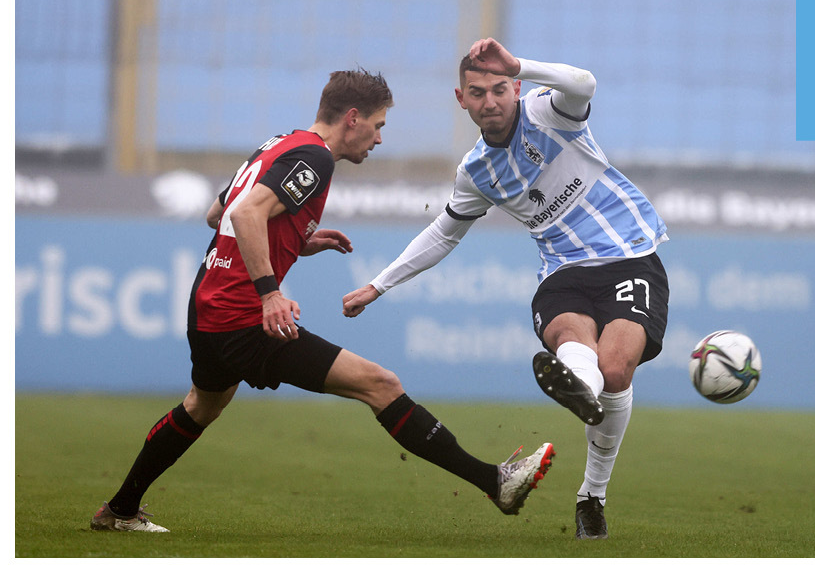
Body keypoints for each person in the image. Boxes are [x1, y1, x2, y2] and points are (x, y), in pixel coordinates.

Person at [90, 67, 555, 533]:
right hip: (243, 317)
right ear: (352, 118)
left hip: (207, 306)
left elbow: (220, 212)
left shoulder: (280, 143)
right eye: (378, 126)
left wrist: (295, 238)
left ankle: (120, 510)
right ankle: (496, 483)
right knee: (381, 384)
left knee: (200, 406)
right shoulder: (316, 159)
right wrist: (270, 294)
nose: (377, 139)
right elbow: (247, 213)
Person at [342, 40, 669, 540]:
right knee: (569, 336)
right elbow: (443, 233)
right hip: (562, 270)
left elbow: (585, 83)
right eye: (478, 93)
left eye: (500, 88)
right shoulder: (475, 172)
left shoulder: (549, 112)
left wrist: (524, 65)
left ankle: (592, 495)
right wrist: (378, 284)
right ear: (461, 99)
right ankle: (579, 383)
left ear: (515, 88)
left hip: (628, 254)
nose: (490, 101)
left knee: (616, 367)